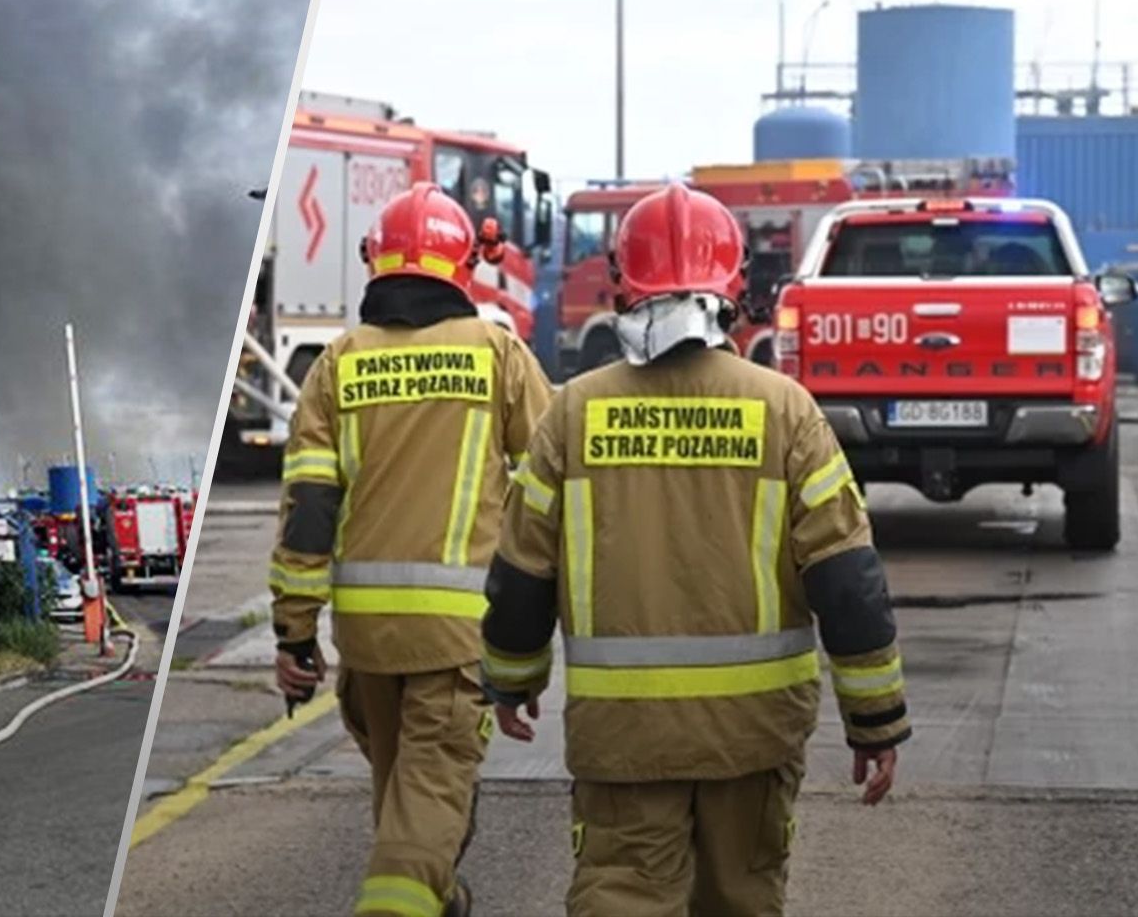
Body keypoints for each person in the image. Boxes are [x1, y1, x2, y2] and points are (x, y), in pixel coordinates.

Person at [480, 183, 909, 917]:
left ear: (620, 284)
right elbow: (847, 581)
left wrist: (511, 681)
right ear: (737, 284)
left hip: (624, 737)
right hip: (755, 733)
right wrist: (873, 721)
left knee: (621, 899)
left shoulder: (574, 413)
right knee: (742, 900)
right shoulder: (785, 411)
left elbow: (523, 571)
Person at [270, 182, 553, 917]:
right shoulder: (498, 355)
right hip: (460, 635)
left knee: (405, 800)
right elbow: (553, 488)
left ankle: (442, 896)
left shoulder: (336, 364)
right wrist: (537, 633)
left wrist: (292, 635)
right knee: (426, 802)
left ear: (376, 262)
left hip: (366, 640)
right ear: (466, 266)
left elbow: (308, 511)